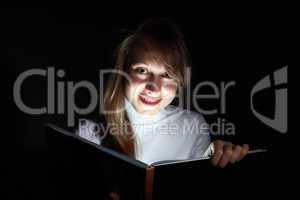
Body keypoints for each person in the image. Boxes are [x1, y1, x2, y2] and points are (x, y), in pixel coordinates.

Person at [78, 18, 249, 169]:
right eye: (142, 70)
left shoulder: (194, 125)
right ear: (124, 71)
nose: (154, 87)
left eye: (166, 75)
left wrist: (215, 163)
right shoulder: (90, 132)